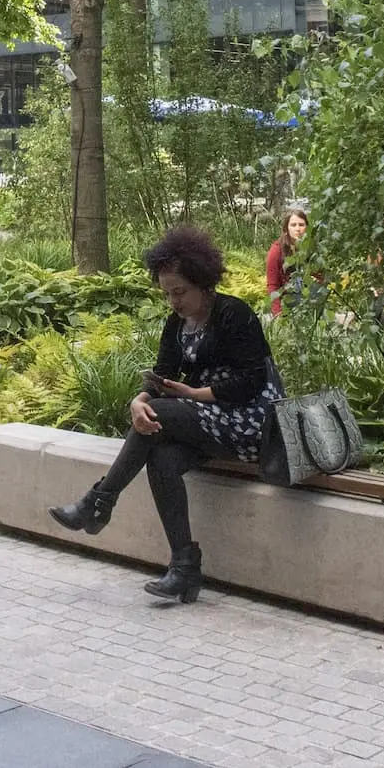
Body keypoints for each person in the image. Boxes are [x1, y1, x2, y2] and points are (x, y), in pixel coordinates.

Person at [46, 226, 277, 605]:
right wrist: (139, 401)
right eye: (167, 293)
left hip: (249, 421)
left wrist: (193, 394)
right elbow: (163, 372)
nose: (173, 301)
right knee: (162, 457)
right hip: (206, 419)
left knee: (161, 416)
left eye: (180, 291)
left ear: (202, 282)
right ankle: (184, 568)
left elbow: (252, 381)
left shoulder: (234, 314)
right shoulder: (176, 324)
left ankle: (98, 503)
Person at [266, 207, 308, 316]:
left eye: (301, 225)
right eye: (293, 225)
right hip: (287, 303)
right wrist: (278, 314)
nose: (297, 229)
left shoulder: (309, 248)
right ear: (286, 228)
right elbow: (272, 285)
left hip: (308, 301)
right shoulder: (276, 250)